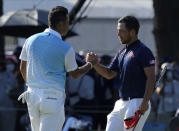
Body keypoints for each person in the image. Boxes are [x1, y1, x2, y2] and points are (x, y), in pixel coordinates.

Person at [18, 6, 94, 131]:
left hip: (32, 95)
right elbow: (75, 74)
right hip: (52, 97)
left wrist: (33, 85)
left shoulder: (30, 40)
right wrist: (90, 64)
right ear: (60, 24)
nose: (68, 26)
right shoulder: (65, 48)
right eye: (67, 22)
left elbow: (22, 68)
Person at [86, 16, 156, 131]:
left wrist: (145, 102)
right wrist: (95, 64)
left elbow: (151, 78)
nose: (118, 34)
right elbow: (109, 74)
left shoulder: (143, 51)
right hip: (120, 103)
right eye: (118, 31)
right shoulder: (121, 52)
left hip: (137, 102)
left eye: (121, 31)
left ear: (132, 32)